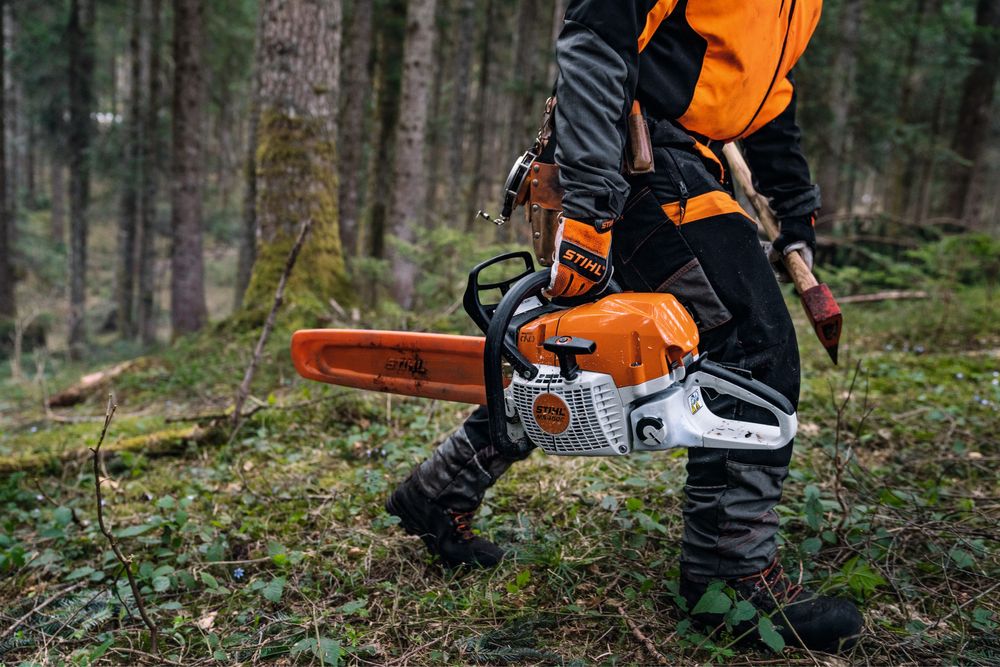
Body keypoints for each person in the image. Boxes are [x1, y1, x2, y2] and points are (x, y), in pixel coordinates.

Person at [386, 0, 863, 654]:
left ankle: (439, 490)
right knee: (754, 346)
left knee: (581, 356)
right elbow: (596, 38)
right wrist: (590, 205)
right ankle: (729, 576)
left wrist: (796, 210)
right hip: (630, 151)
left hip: (691, 159)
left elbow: (766, 93)